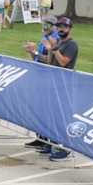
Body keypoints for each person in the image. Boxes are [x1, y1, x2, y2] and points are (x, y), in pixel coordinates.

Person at [42, 17, 79, 161]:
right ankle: (51, 142)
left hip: (65, 85)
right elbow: (51, 61)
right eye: (59, 27)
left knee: (62, 117)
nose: (61, 29)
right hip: (53, 83)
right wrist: (37, 53)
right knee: (51, 115)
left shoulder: (72, 45)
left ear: (70, 29)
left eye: (64, 27)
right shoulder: (58, 42)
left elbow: (64, 62)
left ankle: (66, 148)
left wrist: (54, 49)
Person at [23, 15, 59, 153]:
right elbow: (38, 57)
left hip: (48, 78)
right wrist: (32, 52)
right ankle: (40, 138)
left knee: (46, 111)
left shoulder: (53, 39)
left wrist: (36, 52)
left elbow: (49, 59)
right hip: (39, 76)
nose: (43, 26)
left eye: (46, 24)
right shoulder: (45, 36)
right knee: (38, 109)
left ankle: (48, 141)